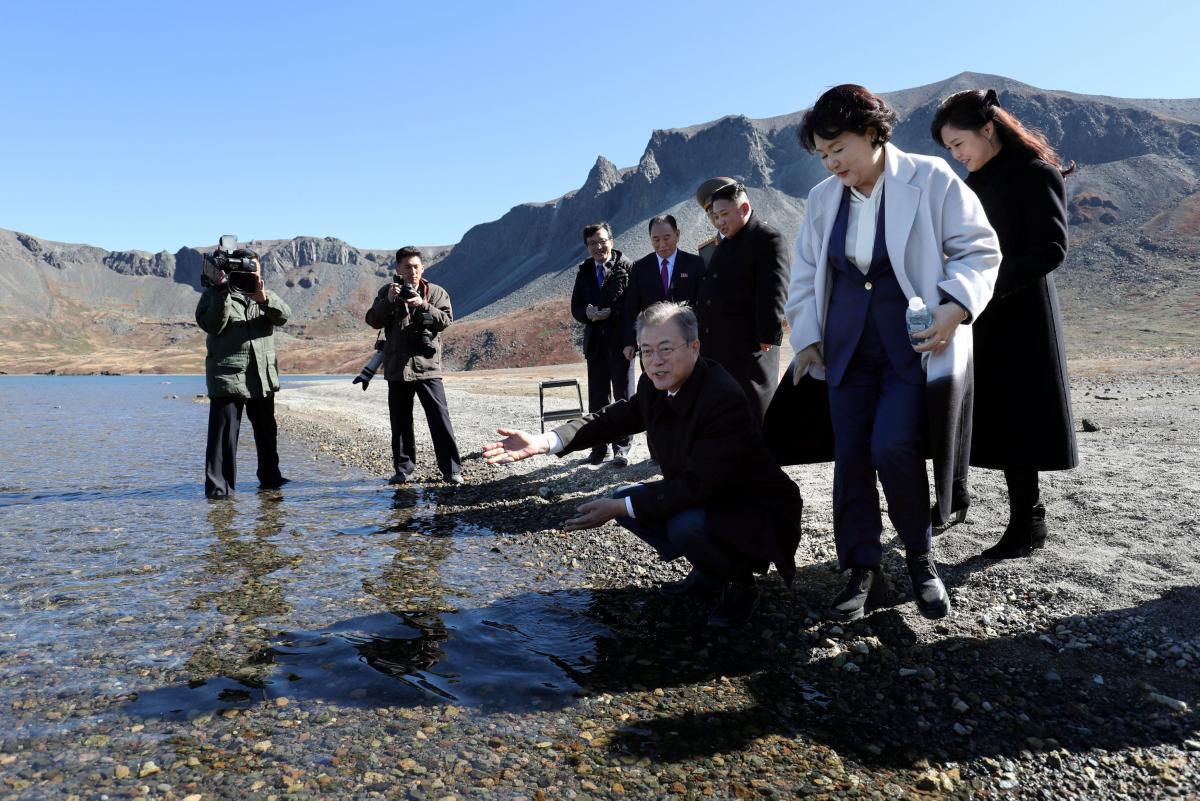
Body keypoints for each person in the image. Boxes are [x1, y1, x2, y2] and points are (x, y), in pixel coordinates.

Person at [784, 84, 1001, 621]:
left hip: (912, 347)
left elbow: (979, 247)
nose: (832, 163)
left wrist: (956, 305)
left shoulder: (930, 178)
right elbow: (808, 274)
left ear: (874, 134)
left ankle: (921, 559)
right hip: (845, 353)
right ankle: (861, 567)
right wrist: (807, 339)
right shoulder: (820, 200)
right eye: (823, 154)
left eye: (839, 149)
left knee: (893, 448)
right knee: (851, 457)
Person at [483, 301, 803, 629]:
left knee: (677, 522)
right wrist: (545, 441)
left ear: (694, 347)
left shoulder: (722, 398)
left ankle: (740, 585)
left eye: (666, 349)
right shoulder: (654, 384)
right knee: (630, 498)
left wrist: (619, 507)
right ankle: (710, 572)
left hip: (755, 509)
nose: (655, 361)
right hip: (707, 495)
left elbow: (697, 486)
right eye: (646, 351)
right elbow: (612, 418)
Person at [932, 88, 1078, 558]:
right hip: (981, 316)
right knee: (975, 413)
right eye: (949, 149)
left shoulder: (1036, 173)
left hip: (1022, 316)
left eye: (959, 144)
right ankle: (956, 501)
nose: (956, 155)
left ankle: (1027, 526)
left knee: (1020, 420)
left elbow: (1050, 250)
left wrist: (987, 284)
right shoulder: (976, 183)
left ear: (988, 129)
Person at [195, 248, 292, 499]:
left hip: (262, 376)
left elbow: (284, 317)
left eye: (255, 269)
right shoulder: (214, 294)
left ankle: (271, 481)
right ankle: (220, 491)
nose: (251, 273)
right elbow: (213, 324)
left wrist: (263, 299)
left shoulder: (264, 295)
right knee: (223, 439)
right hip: (228, 378)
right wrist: (221, 291)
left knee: (267, 434)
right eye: (246, 269)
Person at [694, 181, 790, 422]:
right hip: (718, 344)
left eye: (724, 214)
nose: (719, 222)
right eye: (715, 216)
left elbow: (774, 290)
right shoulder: (725, 243)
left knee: (753, 409)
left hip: (749, 347)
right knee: (725, 413)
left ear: (744, 208)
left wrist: (769, 336)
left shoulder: (767, 238)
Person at [366, 246, 463, 485]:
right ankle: (403, 470)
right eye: (407, 267)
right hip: (397, 368)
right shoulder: (386, 292)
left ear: (423, 268)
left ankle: (451, 470)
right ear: (398, 268)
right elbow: (372, 320)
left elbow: (446, 320)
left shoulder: (436, 292)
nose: (413, 271)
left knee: (440, 418)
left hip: (427, 367)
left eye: (417, 266)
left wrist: (422, 304)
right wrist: (388, 302)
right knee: (400, 422)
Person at [570, 222, 634, 467]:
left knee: (623, 398)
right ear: (587, 247)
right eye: (593, 243)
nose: (599, 246)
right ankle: (599, 448)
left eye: (602, 241)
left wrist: (612, 313)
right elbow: (575, 307)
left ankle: (622, 449)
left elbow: (632, 307)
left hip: (621, 345)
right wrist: (587, 314)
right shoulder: (584, 271)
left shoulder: (627, 266)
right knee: (597, 399)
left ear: (612, 241)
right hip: (596, 345)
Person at [621, 215, 706, 360]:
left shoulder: (695, 264)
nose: (662, 244)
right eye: (656, 239)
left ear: (677, 234)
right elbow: (631, 308)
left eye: (667, 238)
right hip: (653, 343)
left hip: (686, 341)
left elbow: (704, 305)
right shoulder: (640, 267)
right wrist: (629, 342)